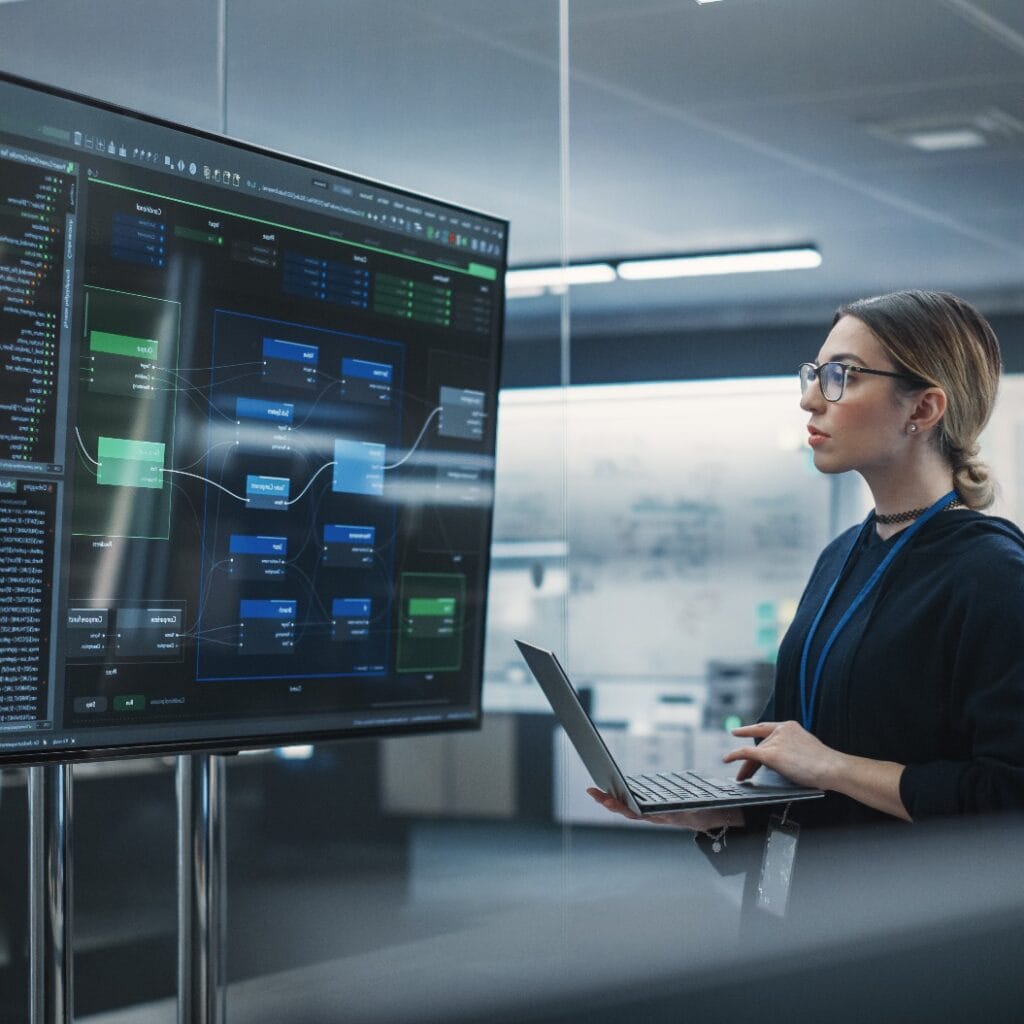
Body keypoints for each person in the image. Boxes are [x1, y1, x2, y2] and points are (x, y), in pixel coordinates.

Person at [588, 290, 1024, 846]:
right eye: (814, 374)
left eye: (842, 375)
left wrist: (832, 766)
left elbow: (1008, 796)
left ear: (922, 408)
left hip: (911, 919)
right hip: (806, 901)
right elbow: (803, 770)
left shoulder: (992, 575)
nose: (811, 399)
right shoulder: (842, 555)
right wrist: (719, 811)